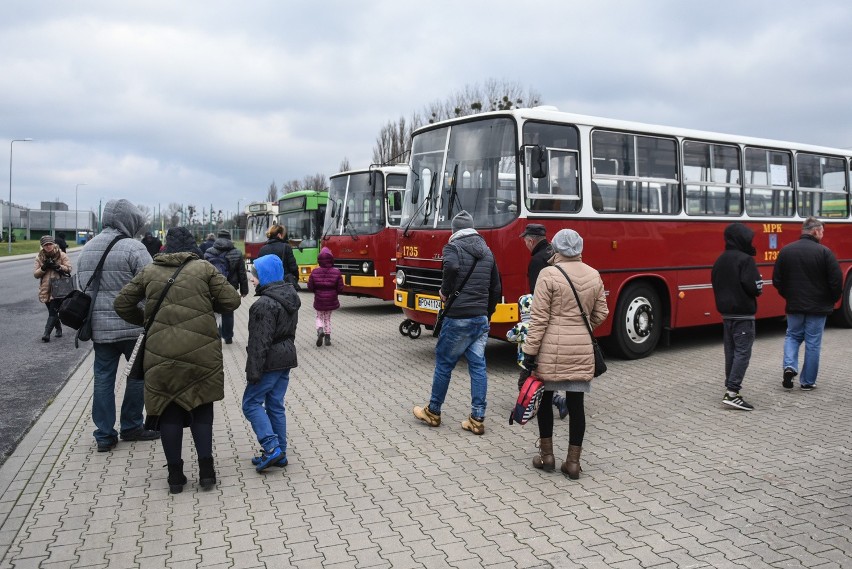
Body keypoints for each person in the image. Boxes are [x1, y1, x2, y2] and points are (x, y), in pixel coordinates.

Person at [114, 227, 241, 494]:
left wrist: (149, 321)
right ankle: (206, 473)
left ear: (166, 246)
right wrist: (206, 310)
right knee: (201, 408)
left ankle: (175, 477)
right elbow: (231, 300)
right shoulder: (204, 268)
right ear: (192, 246)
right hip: (201, 351)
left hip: (161, 354)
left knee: (168, 410)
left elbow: (122, 303)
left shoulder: (150, 270)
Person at [521, 228, 608, 478]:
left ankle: (547, 456)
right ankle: (573, 463)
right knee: (576, 405)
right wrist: (583, 328)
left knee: (545, 401)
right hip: (581, 350)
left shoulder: (548, 274)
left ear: (556, 248)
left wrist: (529, 354)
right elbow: (602, 312)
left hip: (550, 350)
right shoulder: (593, 274)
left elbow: (538, 320)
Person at [77, 199, 159, 452]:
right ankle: (132, 425)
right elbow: (151, 284)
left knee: (102, 379)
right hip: (133, 327)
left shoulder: (87, 248)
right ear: (129, 220)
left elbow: (81, 288)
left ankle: (104, 434)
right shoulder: (134, 248)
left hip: (100, 329)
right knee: (136, 378)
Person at [413, 210, 501, 435]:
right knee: (478, 366)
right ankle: (477, 418)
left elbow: (451, 267)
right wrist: (486, 314)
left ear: (454, 230)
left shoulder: (453, 247)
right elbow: (496, 288)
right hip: (480, 318)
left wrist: (445, 291)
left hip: (458, 317)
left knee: (444, 364)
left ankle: (433, 411)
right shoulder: (487, 252)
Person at [243, 254, 300, 472]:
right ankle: (281, 452)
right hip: (286, 358)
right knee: (275, 404)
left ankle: (271, 447)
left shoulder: (263, 305)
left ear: (265, 276)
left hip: (269, 361)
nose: (251, 279)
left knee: (250, 403)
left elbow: (259, 342)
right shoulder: (290, 296)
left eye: (255, 275)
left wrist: (253, 371)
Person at [772, 216, 843, 390]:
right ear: (815, 231)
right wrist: (831, 300)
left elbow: (777, 280)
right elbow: (836, 281)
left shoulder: (786, 251)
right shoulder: (825, 252)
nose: (823, 235)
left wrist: (788, 295)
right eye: (822, 232)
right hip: (818, 308)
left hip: (794, 305)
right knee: (813, 343)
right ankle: (807, 382)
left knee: (792, 336)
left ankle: (789, 366)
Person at [519, 223, 571, 419]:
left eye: (525, 240)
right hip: (562, 317)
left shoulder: (536, 261)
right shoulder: (555, 253)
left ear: (531, 240)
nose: (525, 243)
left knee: (536, 366)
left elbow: (536, 297)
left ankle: (548, 401)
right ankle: (558, 397)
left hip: (544, 320)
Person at [711, 223, 763, 410]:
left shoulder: (720, 260)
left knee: (730, 352)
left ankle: (731, 388)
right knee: (742, 353)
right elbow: (755, 287)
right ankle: (732, 393)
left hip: (726, 315)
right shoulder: (745, 260)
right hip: (743, 315)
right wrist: (759, 285)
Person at [204, 229, 249, 344]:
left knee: (215, 312)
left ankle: (216, 336)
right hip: (230, 286)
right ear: (229, 238)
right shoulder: (237, 253)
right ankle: (228, 336)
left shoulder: (208, 252)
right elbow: (242, 273)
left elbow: (204, 271)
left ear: (218, 237)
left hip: (213, 286)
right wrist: (244, 290)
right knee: (228, 312)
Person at [33, 235, 72, 342]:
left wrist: (58, 267)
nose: (48, 246)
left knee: (53, 311)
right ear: (42, 246)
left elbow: (69, 269)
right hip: (45, 288)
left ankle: (46, 334)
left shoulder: (61, 254)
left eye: (50, 244)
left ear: (53, 244)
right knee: (52, 311)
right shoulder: (39, 257)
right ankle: (58, 328)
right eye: (46, 245)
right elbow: (36, 274)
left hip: (59, 288)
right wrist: (43, 268)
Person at [306, 247, 343, 347]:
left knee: (319, 316)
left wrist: (316, 291)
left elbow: (310, 286)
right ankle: (327, 338)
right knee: (327, 318)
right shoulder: (336, 271)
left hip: (319, 299)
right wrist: (335, 293)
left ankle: (320, 329)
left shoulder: (314, 272)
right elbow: (340, 287)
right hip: (331, 298)